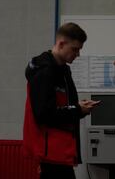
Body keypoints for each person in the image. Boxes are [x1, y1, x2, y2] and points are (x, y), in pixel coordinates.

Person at [23, 22, 100, 179]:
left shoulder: (63, 70)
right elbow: (44, 114)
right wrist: (78, 110)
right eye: (75, 49)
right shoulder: (44, 72)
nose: (77, 54)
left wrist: (78, 108)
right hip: (50, 151)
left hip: (61, 149)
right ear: (61, 44)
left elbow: (64, 106)